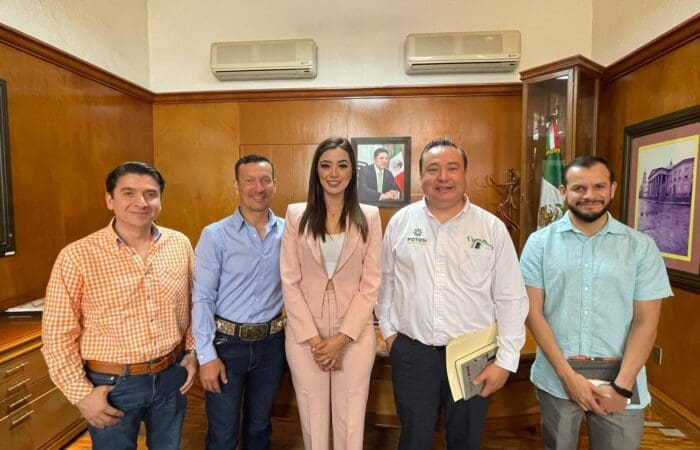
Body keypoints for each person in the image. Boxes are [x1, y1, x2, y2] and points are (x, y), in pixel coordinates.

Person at [375, 138, 528, 450]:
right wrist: (390, 334)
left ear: (465, 174)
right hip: (413, 355)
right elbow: (386, 282)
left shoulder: (491, 228)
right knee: (413, 439)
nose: (443, 177)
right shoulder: (401, 223)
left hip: (474, 356)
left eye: (452, 168)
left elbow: (511, 298)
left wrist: (506, 361)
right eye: (433, 169)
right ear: (421, 175)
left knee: (465, 440)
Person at [520, 156, 673, 450]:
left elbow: (646, 323)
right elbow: (533, 313)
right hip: (557, 381)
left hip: (621, 382)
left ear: (612, 189)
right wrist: (568, 377)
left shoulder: (641, 247)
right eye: (579, 188)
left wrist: (622, 386)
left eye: (599, 186)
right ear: (563, 191)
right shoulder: (538, 244)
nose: (589, 195)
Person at [42, 161, 197, 450]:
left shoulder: (179, 244)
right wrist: (81, 395)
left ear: (160, 200)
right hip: (112, 384)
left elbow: (193, 304)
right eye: (128, 193)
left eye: (150, 194)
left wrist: (192, 352)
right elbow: (57, 334)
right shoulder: (77, 256)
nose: (141, 202)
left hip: (170, 375)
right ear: (109, 200)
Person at [281, 137, 382, 450]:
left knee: (351, 417)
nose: (334, 173)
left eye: (342, 165)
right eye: (326, 165)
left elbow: (371, 283)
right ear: (316, 171)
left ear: (352, 171)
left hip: (354, 333)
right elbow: (289, 280)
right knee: (312, 417)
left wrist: (341, 339)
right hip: (305, 333)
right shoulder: (296, 214)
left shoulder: (370, 216)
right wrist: (316, 342)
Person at [192, 154, 286, 450]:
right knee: (223, 431)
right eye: (249, 180)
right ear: (236, 185)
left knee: (260, 426)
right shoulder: (215, 235)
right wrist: (206, 356)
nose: (258, 188)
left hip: (272, 345)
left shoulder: (290, 232)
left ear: (274, 184)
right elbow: (202, 298)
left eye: (265, 180)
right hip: (227, 346)